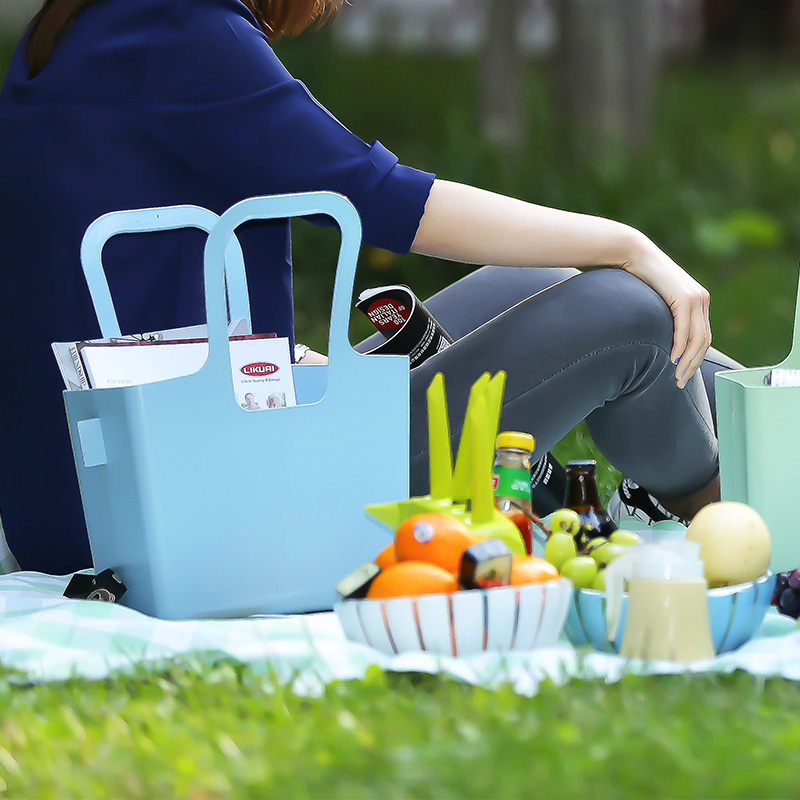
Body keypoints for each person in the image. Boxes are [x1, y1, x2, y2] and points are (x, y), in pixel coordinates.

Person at [0, 0, 740, 576]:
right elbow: (382, 198)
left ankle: (747, 439)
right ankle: (730, 518)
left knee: (538, 282)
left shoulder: (78, 28)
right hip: (190, 509)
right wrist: (630, 242)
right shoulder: (180, 30)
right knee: (630, 312)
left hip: (107, 486)